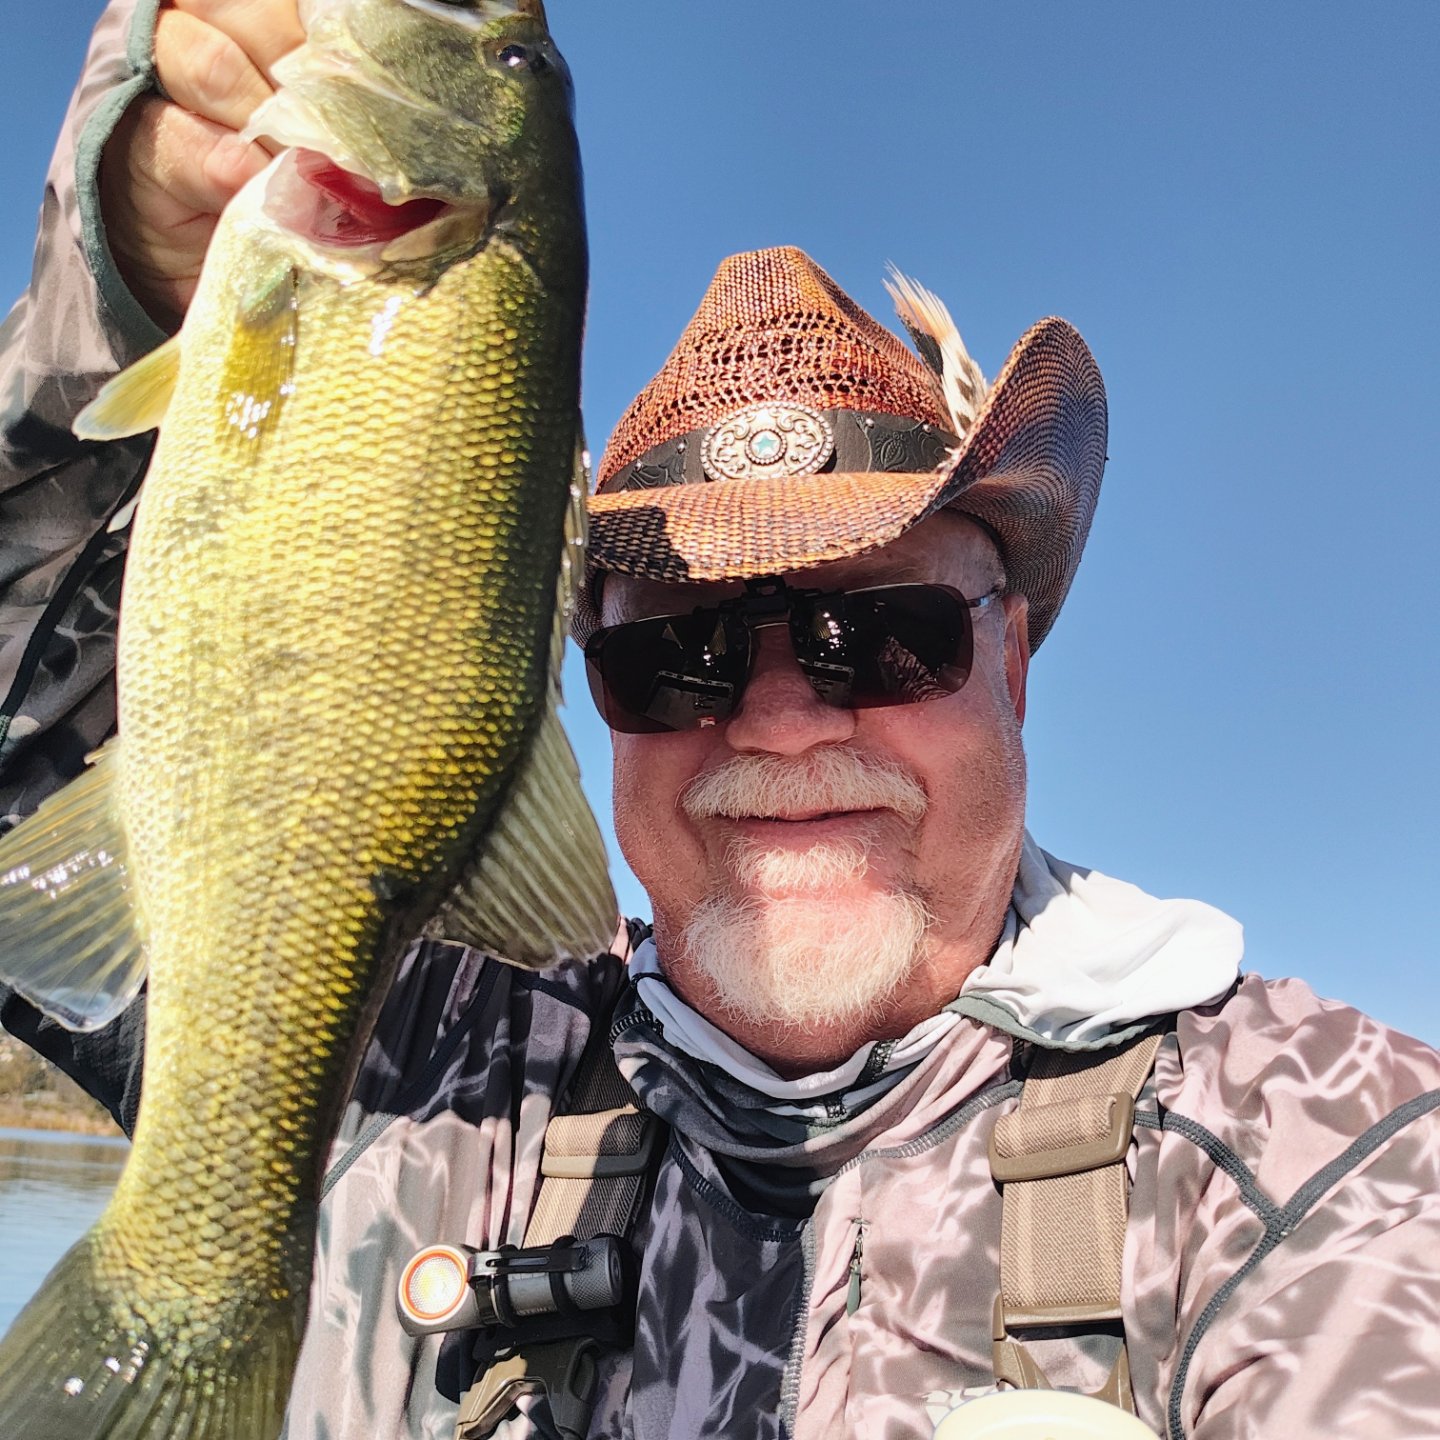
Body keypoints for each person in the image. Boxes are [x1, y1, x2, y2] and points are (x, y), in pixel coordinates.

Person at [3, 4, 1439, 1438]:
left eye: (882, 632)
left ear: (1010, 661)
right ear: (588, 696)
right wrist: (111, 287)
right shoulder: (418, 1049)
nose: (780, 723)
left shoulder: (1324, 1157)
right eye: (678, 655)